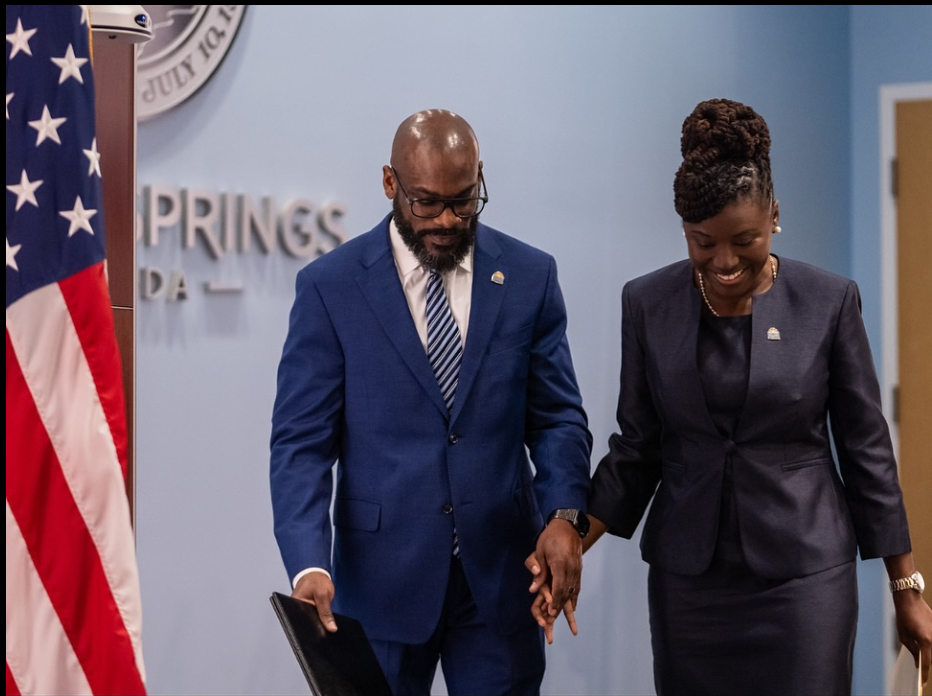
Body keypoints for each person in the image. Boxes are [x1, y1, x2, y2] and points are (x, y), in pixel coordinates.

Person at [528, 97, 932, 694]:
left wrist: (907, 588)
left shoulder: (828, 302)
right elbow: (638, 450)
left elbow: (866, 448)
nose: (724, 261)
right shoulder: (648, 304)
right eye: (702, 242)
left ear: (774, 213)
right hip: (691, 586)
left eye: (744, 240)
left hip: (804, 577)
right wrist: (568, 542)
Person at [270, 108, 593, 696]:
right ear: (390, 184)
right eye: (426, 202)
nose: (447, 219)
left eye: (464, 201)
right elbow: (301, 444)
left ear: (480, 180)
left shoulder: (529, 275)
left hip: (500, 581)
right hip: (380, 586)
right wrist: (308, 563)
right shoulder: (330, 288)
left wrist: (564, 514)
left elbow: (557, 418)